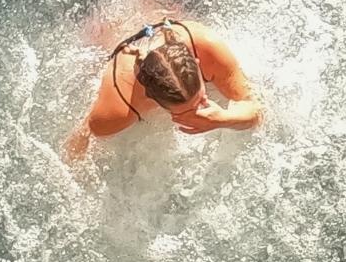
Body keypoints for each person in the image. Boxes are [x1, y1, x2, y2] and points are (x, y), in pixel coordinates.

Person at [64, 17, 262, 160]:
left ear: (197, 61)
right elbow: (76, 148)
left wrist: (224, 119)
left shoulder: (206, 46)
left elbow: (256, 107)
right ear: (151, 99)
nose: (202, 107)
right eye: (187, 110)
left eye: (201, 97)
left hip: (149, 6)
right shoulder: (118, 111)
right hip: (104, 25)